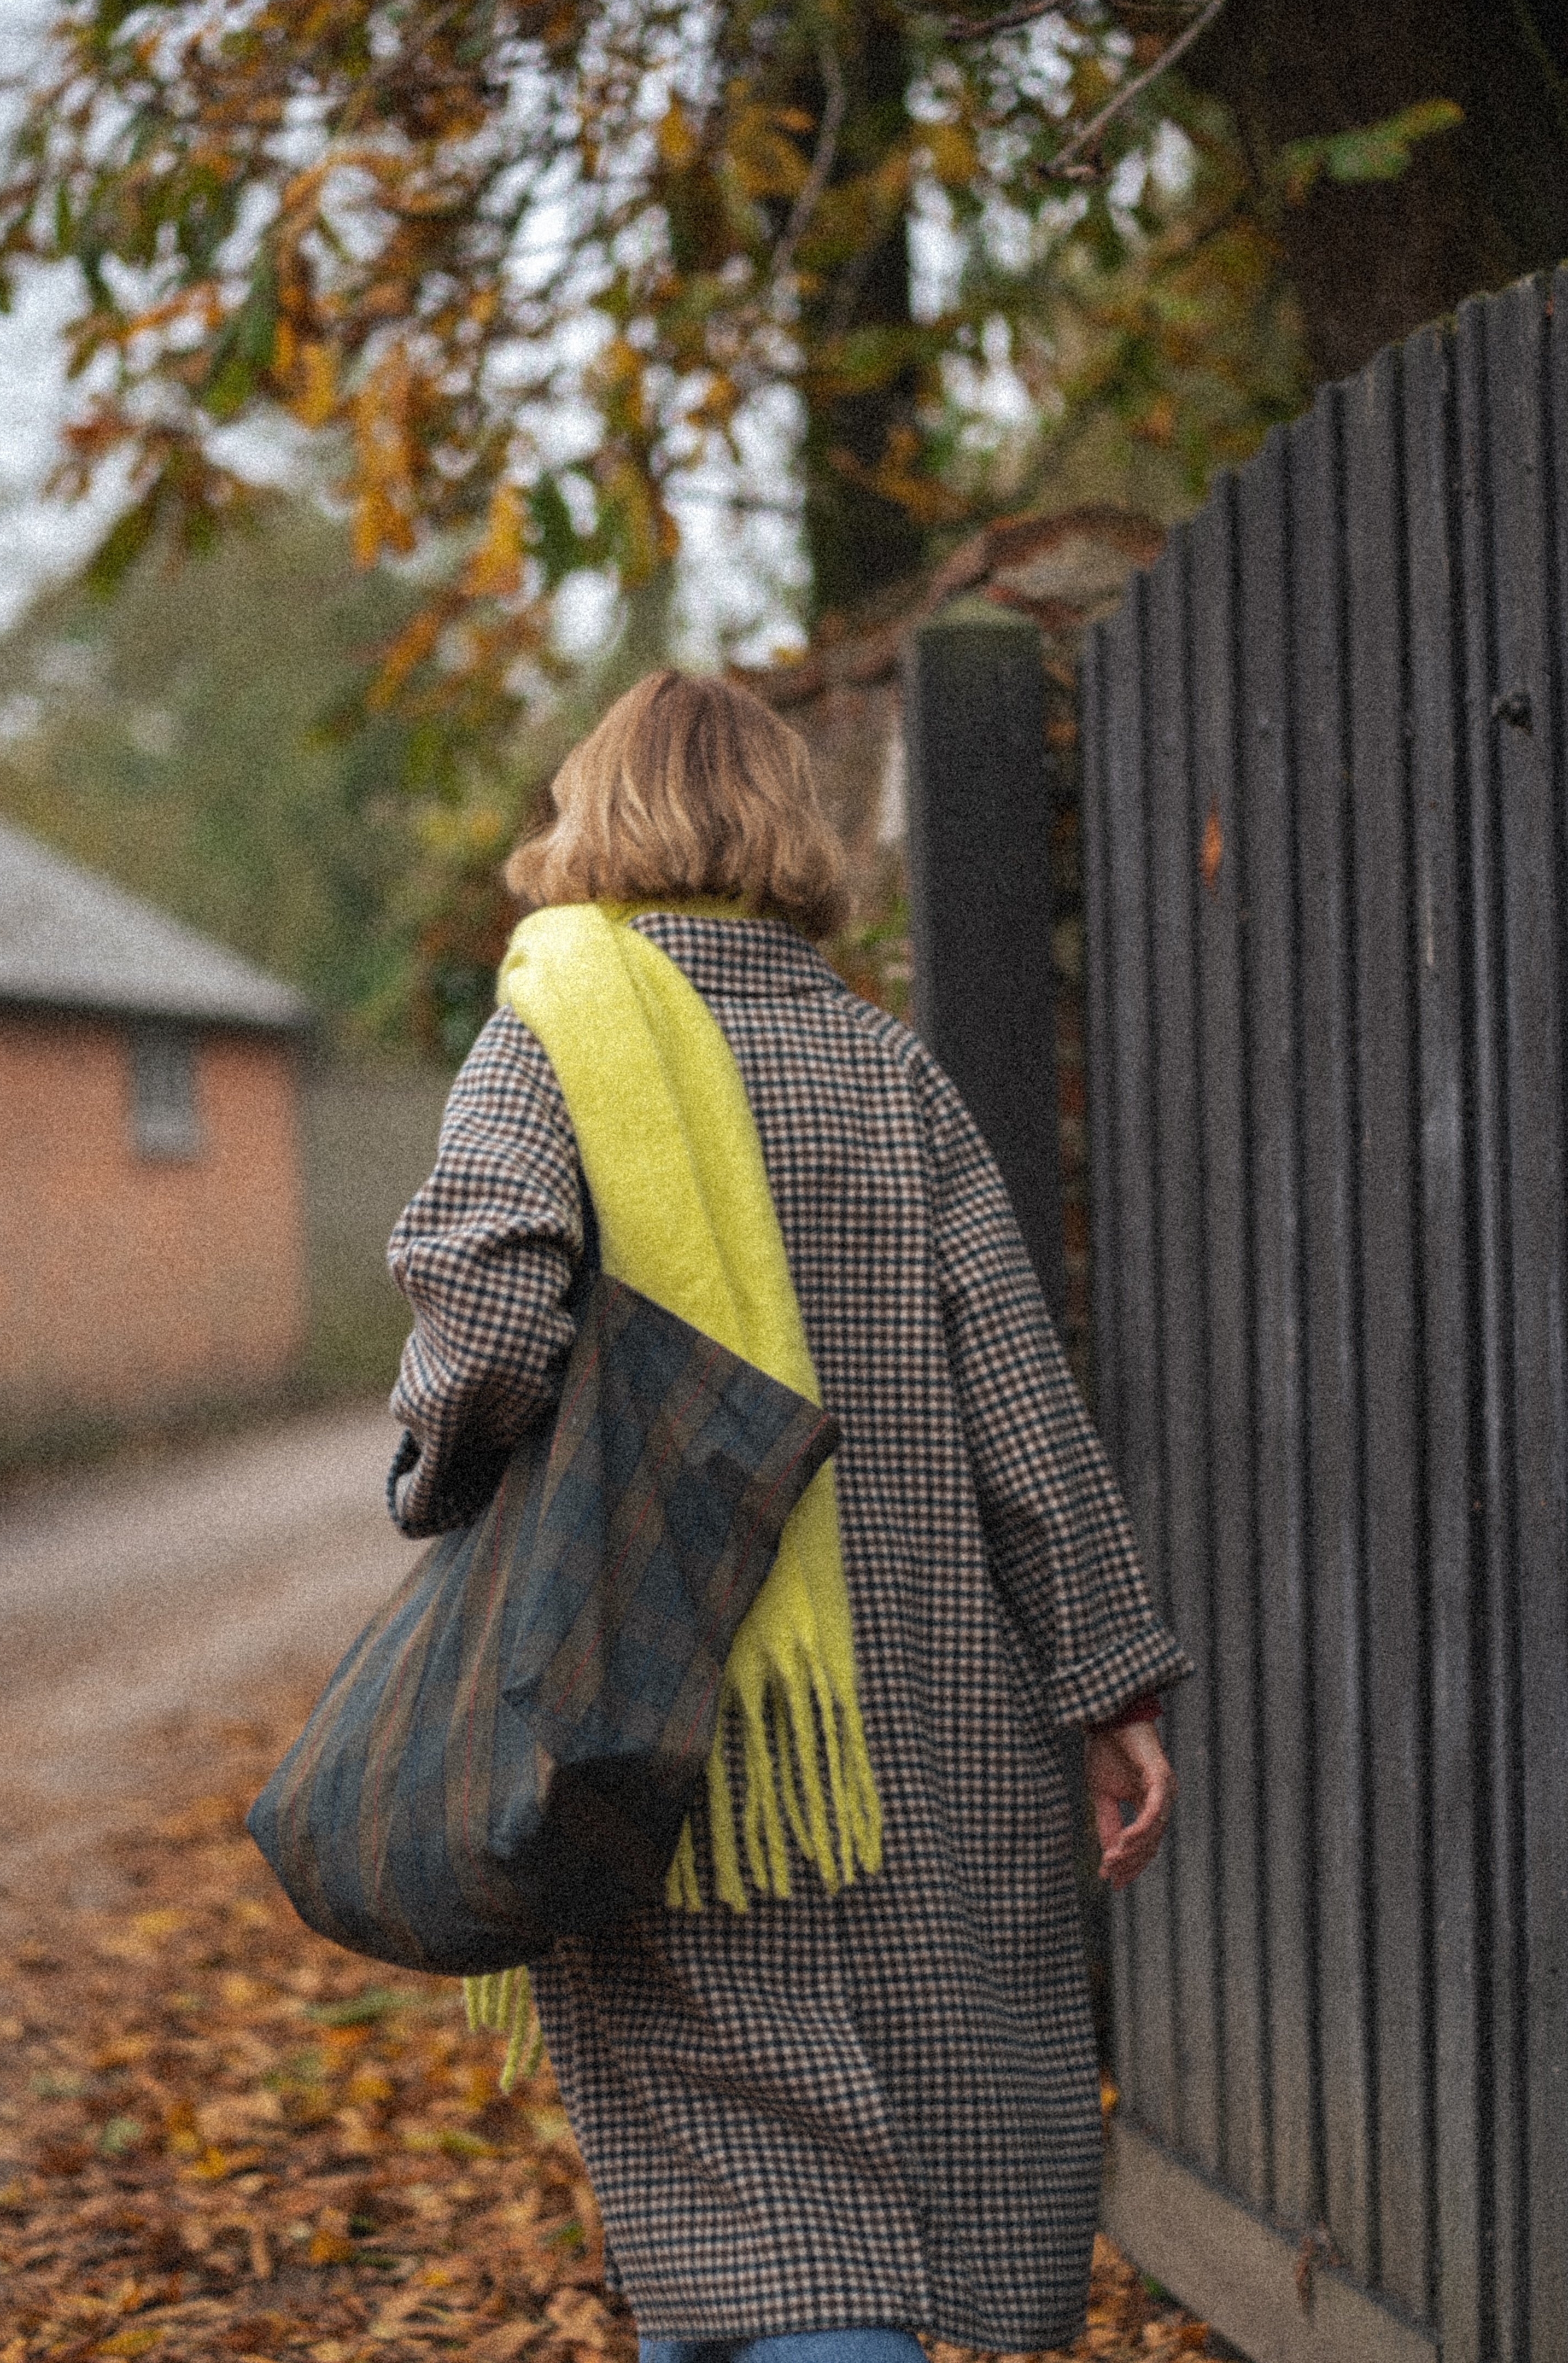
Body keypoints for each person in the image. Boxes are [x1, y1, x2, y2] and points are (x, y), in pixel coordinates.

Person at [387, 668, 1191, 2363]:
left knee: (728, 2185)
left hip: (649, 1701)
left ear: (594, 811)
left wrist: (441, 1470)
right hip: (916, 1716)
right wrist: (1107, 1683)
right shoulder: (882, 1067)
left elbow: (482, 1299)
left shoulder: (555, 1029)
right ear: (787, 828)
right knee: (859, 2165)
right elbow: (1021, 1403)